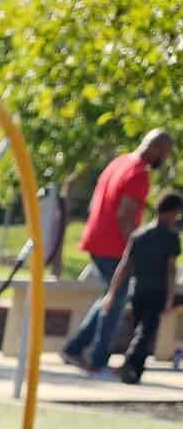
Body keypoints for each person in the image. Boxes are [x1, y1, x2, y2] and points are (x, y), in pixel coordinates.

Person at [63, 128, 173, 371]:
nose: (163, 160)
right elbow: (125, 216)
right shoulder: (138, 174)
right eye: (164, 153)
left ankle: (74, 348)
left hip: (96, 239)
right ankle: (97, 361)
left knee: (109, 298)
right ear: (154, 147)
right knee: (115, 301)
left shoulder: (119, 162)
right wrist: (135, 250)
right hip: (114, 246)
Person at [112, 189, 183, 385]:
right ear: (171, 211)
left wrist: (113, 290)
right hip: (157, 291)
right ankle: (129, 363)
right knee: (146, 332)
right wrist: (169, 297)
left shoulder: (139, 235)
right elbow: (170, 270)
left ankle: (135, 372)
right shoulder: (170, 237)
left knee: (139, 330)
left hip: (138, 290)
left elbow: (125, 264)